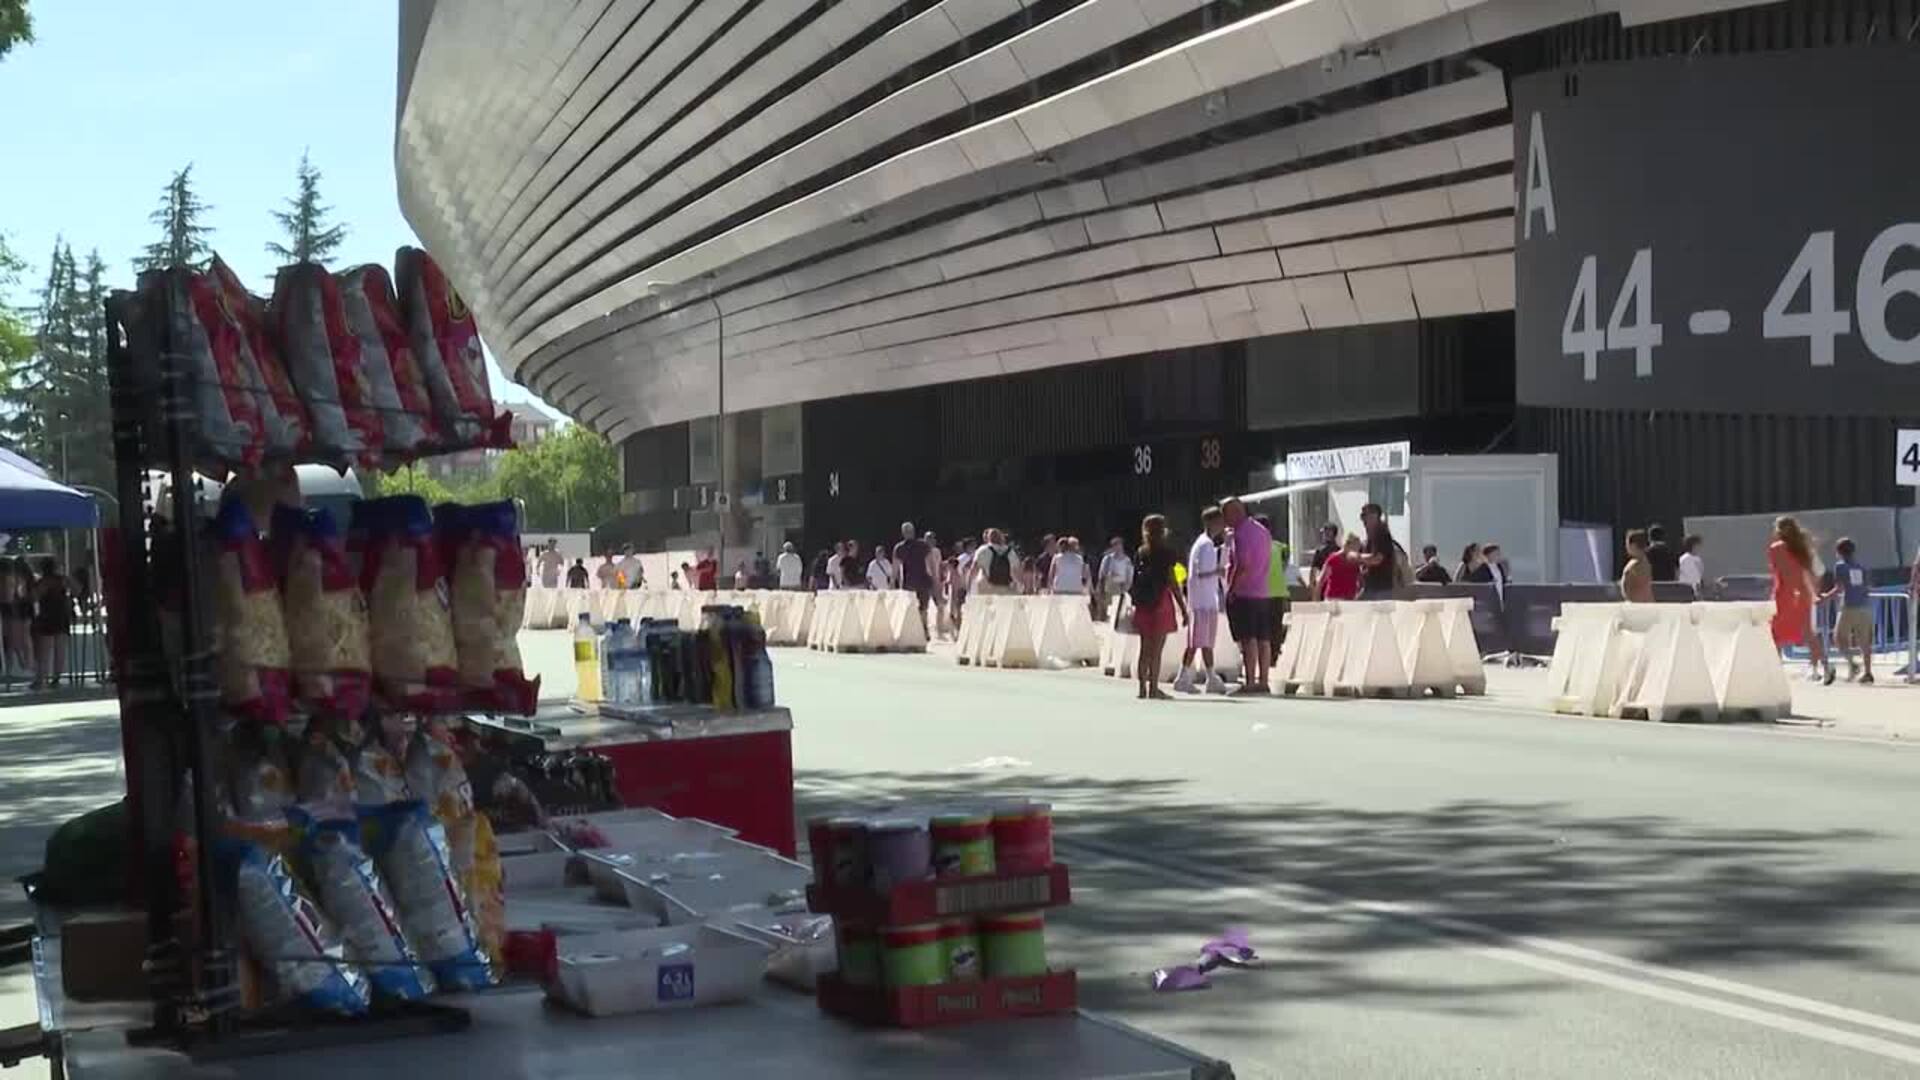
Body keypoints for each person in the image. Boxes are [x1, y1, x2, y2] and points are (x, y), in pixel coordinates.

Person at [1126, 514, 1187, 701]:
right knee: (1156, 650)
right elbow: (1172, 581)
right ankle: (1154, 687)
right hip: (1161, 601)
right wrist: (1183, 607)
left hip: (1143, 603)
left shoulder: (1141, 552)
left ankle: (1142, 688)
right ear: (1163, 530)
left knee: (1144, 648)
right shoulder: (1167, 552)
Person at [1769, 516, 1832, 684]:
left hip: (1784, 594)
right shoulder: (1803, 549)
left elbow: (1778, 573)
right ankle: (1826, 666)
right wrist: (1814, 592)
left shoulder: (1776, 548)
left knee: (1775, 633)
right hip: (1802, 594)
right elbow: (1816, 572)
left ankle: (1776, 672)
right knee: (1808, 633)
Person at [1221, 497, 1271, 694]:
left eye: (1225, 514)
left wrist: (1231, 588)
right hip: (1262, 591)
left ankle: (1250, 680)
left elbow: (1243, 565)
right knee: (1263, 638)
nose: (1224, 519)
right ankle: (1263, 679)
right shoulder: (1262, 531)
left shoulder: (1241, 534)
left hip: (1245, 592)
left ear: (1236, 512)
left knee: (1247, 638)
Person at [1176, 508, 1227, 695]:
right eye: (1219, 522)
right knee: (1196, 641)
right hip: (1203, 601)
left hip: (1204, 600)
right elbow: (1200, 573)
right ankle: (1183, 676)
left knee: (1204, 641)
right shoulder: (1205, 545)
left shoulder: (1204, 544)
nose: (1222, 526)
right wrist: (1218, 572)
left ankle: (1211, 676)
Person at [1824, 538, 1874, 684]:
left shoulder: (1840, 566)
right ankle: (1868, 672)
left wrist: (1825, 597)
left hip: (1849, 606)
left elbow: (1839, 588)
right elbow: (1867, 586)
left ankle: (1852, 662)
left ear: (1839, 552)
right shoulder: (1862, 567)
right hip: (1864, 606)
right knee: (1865, 642)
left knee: (1838, 638)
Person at [29, 558, 72, 690]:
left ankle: (42, 678)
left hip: (47, 617)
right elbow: (77, 589)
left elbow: (33, 597)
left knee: (45, 651)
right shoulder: (63, 580)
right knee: (60, 648)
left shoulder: (43, 582)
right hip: (62, 616)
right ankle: (56, 677)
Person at [1255, 513, 1291, 658]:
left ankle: (1265, 656)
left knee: (1262, 627)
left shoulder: (1255, 547)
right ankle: (1273, 655)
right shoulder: (1280, 546)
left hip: (1262, 592)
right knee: (1275, 625)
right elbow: (1285, 562)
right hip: (1278, 591)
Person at [1357, 502, 1406, 599]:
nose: (1363, 520)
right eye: (1362, 516)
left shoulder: (1381, 534)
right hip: (1371, 586)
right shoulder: (1370, 538)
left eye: (1365, 515)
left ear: (1375, 516)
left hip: (1381, 588)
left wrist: (1357, 557)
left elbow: (1377, 559)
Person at [894, 522, 933, 633]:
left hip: (912, 582)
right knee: (922, 607)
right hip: (919, 580)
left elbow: (895, 568)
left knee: (916, 607)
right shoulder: (923, 546)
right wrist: (934, 578)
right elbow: (931, 564)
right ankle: (922, 628)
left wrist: (893, 582)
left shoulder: (900, 548)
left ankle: (919, 629)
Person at [1096, 536, 1132, 622]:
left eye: (1119, 545)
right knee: (1108, 608)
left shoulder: (1127, 560)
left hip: (1121, 586)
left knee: (1118, 610)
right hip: (1109, 586)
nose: (1117, 547)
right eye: (1115, 545)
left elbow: (1129, 575)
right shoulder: (1108, 559)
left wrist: (1127, 586)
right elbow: (1101, 573)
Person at [973, 529, 1016, 595]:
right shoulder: (1010, 551)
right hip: (1005, 585)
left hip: (985, 584)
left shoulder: (982, 550)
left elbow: (974, 568)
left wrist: (968, 585)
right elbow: (1016, 570)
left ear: (988, 538)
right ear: (1001, 538)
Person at [1319, 536, 1363, 600]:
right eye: (1356, 547)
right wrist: (1317, 600)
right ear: (1347, 545)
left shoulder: (1355, 561)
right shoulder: (1333, 559)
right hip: (1333, 598)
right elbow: (1321, 579)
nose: (1357, 550)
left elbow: (1360, 580)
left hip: (1350, 598)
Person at [1307, 524, 1340, 600]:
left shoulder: (1320, 551)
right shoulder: (1339, 551)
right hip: (1337, 585)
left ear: (1330, 533)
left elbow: (1313, 571)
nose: (1323, 535)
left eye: (1325, 532)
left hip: (1323, 585)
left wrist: (1312, 587)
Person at [1620, 529, 1653, 603]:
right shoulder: (1643, 562)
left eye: (1627, 544)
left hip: (1638, 604)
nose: (1626, 548)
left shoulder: (1637, 564)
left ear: (1633, 545)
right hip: (1639, 603)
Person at [951, 538, 976, 626]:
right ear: (967, 547)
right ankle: (958, 623)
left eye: (974, 545)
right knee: (960, 605)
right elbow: (957, 571)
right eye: (971, 545)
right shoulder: (961, 558)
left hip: (974, 585)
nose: (973, 547)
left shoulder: (976, 556)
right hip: (963, 584)